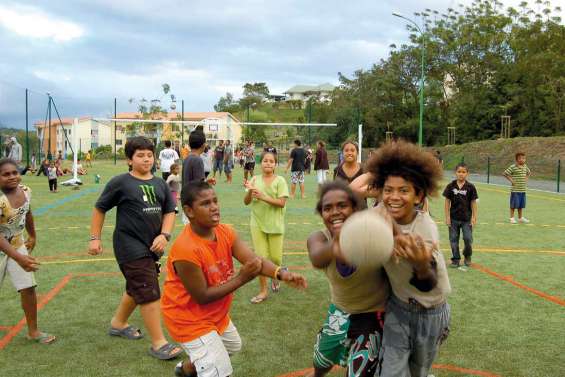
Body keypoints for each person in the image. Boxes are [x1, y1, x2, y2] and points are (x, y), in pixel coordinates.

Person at [161, 181, 307, 377]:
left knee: (233, 346)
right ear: (189, 211)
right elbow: (202, 296)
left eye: (215, 201)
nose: (214, 207)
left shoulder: (225, 231)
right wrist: (242, 278)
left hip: (214, 315)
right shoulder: (185, 249)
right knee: (220, 371)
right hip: (188, 319)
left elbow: (254, 261)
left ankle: (186, 369)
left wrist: (282, 273)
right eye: (205, 204)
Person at [88, 136, 182, 360]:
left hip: (154, 246)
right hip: (128, 245)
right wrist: (94, 238)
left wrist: (165, 235)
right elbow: (100, 208)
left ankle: (118, 323)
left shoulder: (160, 183)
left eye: (149, 155)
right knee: (148, 288)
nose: (146, 159)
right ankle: (159, 343)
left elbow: (170, 211)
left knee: (137, 285)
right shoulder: (120, 182)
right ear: (129, 160)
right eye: (140, 155)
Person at [364, 141, 451, 377]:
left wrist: (421, 264)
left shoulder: (424, 228)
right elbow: (350, 191)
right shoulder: (375, 216)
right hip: (398, 308)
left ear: (418, 195)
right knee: (390, 372)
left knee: (418, 372)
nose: (394, 197)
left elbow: (427, 282)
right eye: (388, 189)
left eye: (404, 190)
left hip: (431, 311)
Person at [307, 180, 389, 377]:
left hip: (374, 315)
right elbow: (317, 258)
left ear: (355, 208)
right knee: (321, 361)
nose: (335, 212)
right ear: (321, 214)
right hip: (340, 311)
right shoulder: (318, 238)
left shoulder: (372, 234)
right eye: (328, 208)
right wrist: (338, 242)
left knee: (359, 373)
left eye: (342, 206)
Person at [0, 158, 56, 344]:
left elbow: (27, 212)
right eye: (6, 174)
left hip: (17, 244)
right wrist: (19, 259)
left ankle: (33, 331)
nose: (12, 177)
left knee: (28, 287)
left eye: (14, 173)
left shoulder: (26, 191)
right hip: (5, 249)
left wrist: (32, 236)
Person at [243, 151, 289, 303]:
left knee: (276, 258)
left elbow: (282, 203)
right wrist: (250, 191)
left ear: (275, 164)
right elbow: (246, 202)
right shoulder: (254, 179)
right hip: (257, 223)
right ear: (260, 163)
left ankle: (275, 275)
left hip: (275, 224)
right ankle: (263, 291)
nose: (268, 163)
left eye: (271, 161)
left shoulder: (280, 180)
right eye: (265, 161)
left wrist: (262, 196)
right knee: (260, 259)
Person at [443, 163, 478, 268]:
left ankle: (467, 256)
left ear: (467, 173)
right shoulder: (450, 186)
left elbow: (473, 203)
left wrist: (474, 217)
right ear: (455, 173)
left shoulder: (470, 187)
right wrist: (447, 217)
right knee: (453, 239)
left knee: (468, 239)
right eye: (459, 172)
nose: (461, 174)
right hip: (453, 219)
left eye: (463, 172)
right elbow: (447, 202)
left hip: (466, 219)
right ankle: (456, 259)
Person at [181, 131, 216, 225]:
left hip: (187, 202)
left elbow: (192, 181)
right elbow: (198, 186)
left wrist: (206, 181)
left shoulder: (187, 158)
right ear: (204, 145)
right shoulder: (197, 159)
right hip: (194, 205)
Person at [503, 152, 531, 224]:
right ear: (517, 159)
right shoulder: (513, 167)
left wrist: (526, 179)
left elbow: (529, 173)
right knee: (513, 205)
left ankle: (520, 218)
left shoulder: (525, 166)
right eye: (520, 158)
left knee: (521, 205)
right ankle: (512, 218)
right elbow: (505, 173)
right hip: (515, 190)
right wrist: (511, 180)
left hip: (522, 190)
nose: (522, 160)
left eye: (524, 158)